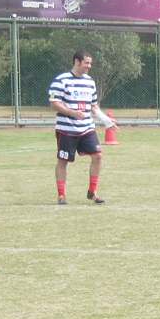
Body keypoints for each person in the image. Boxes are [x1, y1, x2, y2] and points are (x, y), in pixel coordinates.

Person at [48, 50, 116, 205]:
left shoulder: (90, 82)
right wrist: (71, 112)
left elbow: (94, 106)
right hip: (66, 129)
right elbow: (54, 103)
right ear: (77, 62)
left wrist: (107, 121)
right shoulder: (61, 80)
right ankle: (61, 195)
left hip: (87, 128)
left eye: (90, 63)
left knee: (98, 156)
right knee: (63, 161)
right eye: (86, 63)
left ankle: (92, 192)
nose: (89, 66)